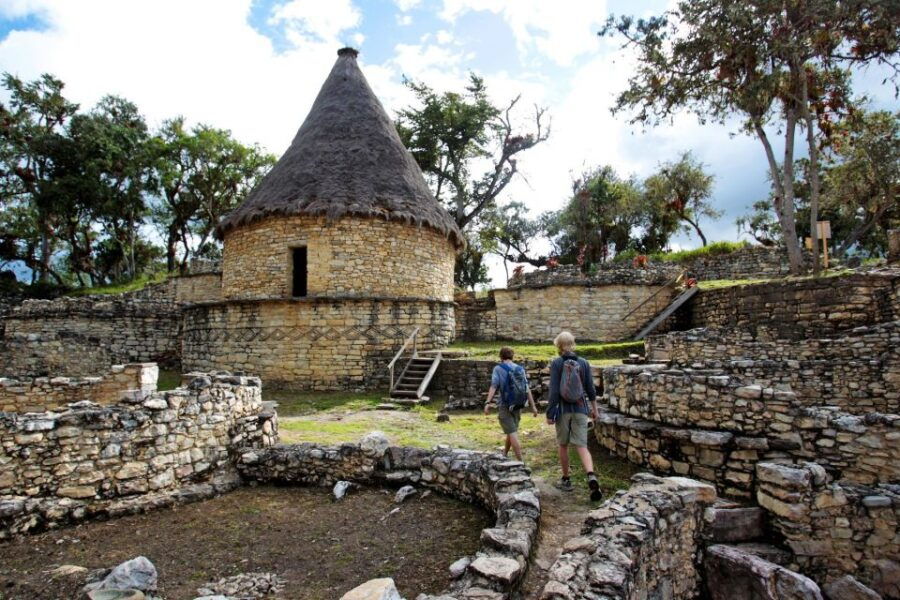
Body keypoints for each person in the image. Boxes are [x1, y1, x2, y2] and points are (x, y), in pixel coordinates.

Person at [546, 331, 603, 502]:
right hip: (581, 409)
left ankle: (566, 479)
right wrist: (595, 410)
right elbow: (591, 389)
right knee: (582, 446)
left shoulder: (556, 363)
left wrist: (550, 413)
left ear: (558, 345)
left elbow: (554, 391)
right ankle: (591, 475)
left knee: (563, 445)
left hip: (563, 411)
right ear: (573, 344)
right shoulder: (584, 363)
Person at [484, 346, 538, 461]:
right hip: (518, 404)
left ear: (501, 356)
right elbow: (526, 388)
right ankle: (505, 454)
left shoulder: (498, 369)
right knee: (511, 430)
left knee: (512, 433)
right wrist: (533, 406)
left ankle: (520, 462)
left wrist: (487, 402)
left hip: (506, 405)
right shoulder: (520, 369)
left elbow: (493, 386)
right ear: (512, 356)